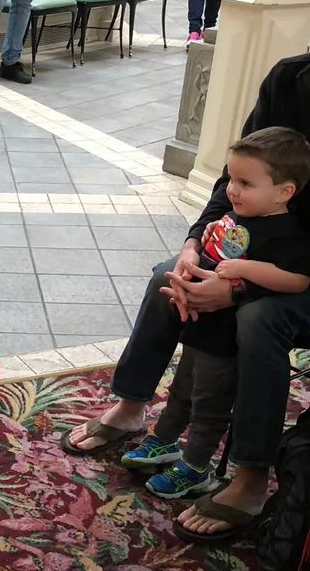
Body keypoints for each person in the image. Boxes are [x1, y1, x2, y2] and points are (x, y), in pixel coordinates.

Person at [62, 54, 310, 542]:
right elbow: (231, 180)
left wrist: (240, 286)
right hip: (255, 255)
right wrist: (193, 244)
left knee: (258, 321)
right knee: (165, 281)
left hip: (295, 272)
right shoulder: (290, 77)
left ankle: (250, 476)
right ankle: (132, 407)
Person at [119, 128, 310, 499]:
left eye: (244, 183)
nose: (232, 190)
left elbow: (298, 280)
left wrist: (243, 274)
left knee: (211, 402)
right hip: (205, 326)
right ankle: (164, 440)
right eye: (231, 179)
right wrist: (201, 242)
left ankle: (196, 467)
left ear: (284, 191)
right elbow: (219, 238)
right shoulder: (241, 215)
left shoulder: (287, 233)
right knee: (183, 387)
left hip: (227, 338)